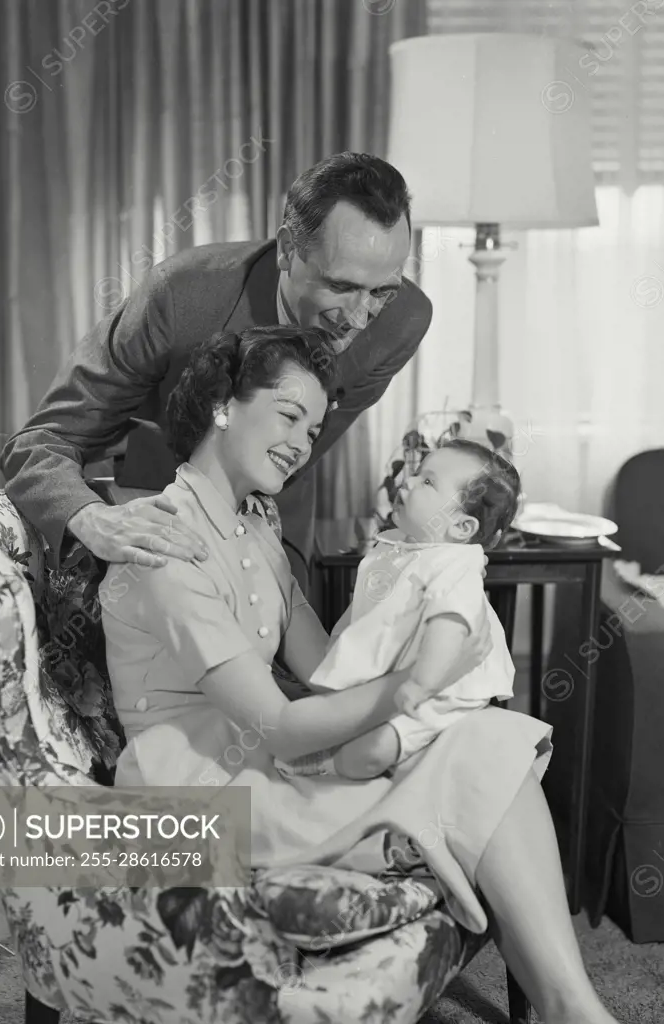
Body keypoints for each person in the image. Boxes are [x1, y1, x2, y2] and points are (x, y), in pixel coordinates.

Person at [100, 326, 618, 1024]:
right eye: (287, 415)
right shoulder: (165, 537)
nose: (301, 442)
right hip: (200, 784)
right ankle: (569, 1009)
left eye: (312, 429)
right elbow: (280, 727)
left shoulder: (254, 520)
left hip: (261, 754)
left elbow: (325, 668)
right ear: (224, 404)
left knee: (487, 736)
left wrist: (427, 628)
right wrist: (412, 692)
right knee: (478, 761)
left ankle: (570, 1007)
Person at [0, 152, 431, 595]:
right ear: (287, 249)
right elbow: (40, 443)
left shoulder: (402, 323)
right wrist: (91, 518)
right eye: (340, 286)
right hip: (160, 510)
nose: (360, 319)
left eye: (381, 291)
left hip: (278, 528)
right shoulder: (180, 297)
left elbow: (299, 454)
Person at [275, 440, 521, 782]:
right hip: (405, 678)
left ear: (462, 527)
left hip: (443, 689)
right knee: (346, 719)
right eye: (417, 473)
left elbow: (449, 627)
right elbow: (371, 609)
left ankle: (337, 765)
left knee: (366, 753)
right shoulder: (398, 544)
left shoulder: (455, 564)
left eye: (428, 483)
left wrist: (420, 686)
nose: (408, 482)